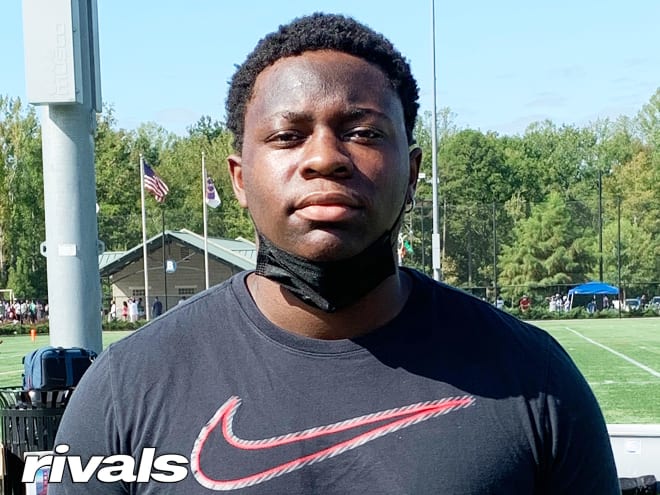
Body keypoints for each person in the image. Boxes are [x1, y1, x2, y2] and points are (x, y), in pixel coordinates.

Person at [50, 13, 619, 494]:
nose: (325, 158)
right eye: (287, 136)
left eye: (363, 132)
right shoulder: (124, 389)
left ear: (412, 173)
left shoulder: (537, 381)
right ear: (240, 178)